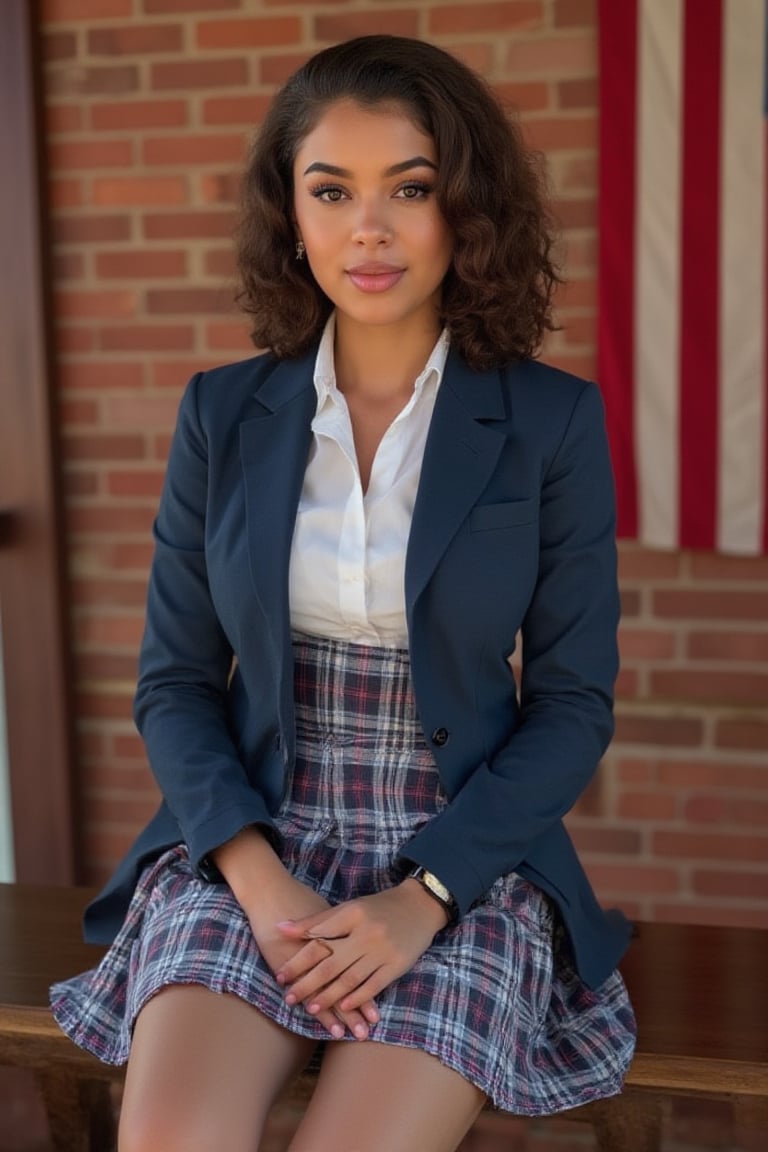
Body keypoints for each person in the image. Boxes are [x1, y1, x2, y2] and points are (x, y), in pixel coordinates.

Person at [51, 33, 636, 1152]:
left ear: (465, 210)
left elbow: (572, 704)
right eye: (332, 191)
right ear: (293, 214)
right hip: (253, 840)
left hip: (459, 858)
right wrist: (257, 882)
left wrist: (425, 897)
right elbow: (175, 684)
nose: (368, 230)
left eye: (409, 189)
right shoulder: (222, 414)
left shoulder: (549, 423)